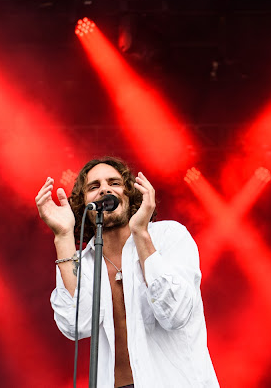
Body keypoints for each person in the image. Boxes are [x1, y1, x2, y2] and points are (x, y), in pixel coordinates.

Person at [35, 156, 219, 388]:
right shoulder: (80, 261)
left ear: (130, 193)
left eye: (114, 182)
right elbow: (76, 326)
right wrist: (62, 237)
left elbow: (176, 314)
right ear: (83, 204)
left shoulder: (169, 236)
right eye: (94, 187)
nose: (104, 190)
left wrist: (140, 233)